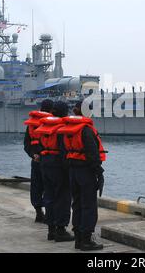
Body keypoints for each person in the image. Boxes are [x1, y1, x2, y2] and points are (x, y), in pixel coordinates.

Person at [58, 101, 106, 251]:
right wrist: (99, 172)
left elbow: (63, 151)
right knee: (89, 205)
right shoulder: (86, 130)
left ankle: (78, 238)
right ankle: (87, 239)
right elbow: (92, 153)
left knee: (77, 204)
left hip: (73, 171)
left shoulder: (69, 129)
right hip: (86, 171)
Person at [35, 101, 74, 242]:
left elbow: (38, 146)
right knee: (63, 198)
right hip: (58, 165)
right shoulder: (62, 129)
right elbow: (64, 151)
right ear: (64, 112)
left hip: (45, 164)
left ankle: (51, 230)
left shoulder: (44, 127)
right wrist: (68, 169)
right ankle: (61, 230)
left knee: (49, 197)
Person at [23, 99, 53, 223]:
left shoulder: (31, 125)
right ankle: (48, 214)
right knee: (49, 187)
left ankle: (38, 212)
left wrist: (33, 154)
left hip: (35, 160)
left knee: (36, 187)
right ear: (51, 110)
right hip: (49, 162)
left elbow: (26, 144)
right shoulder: (52, 123)